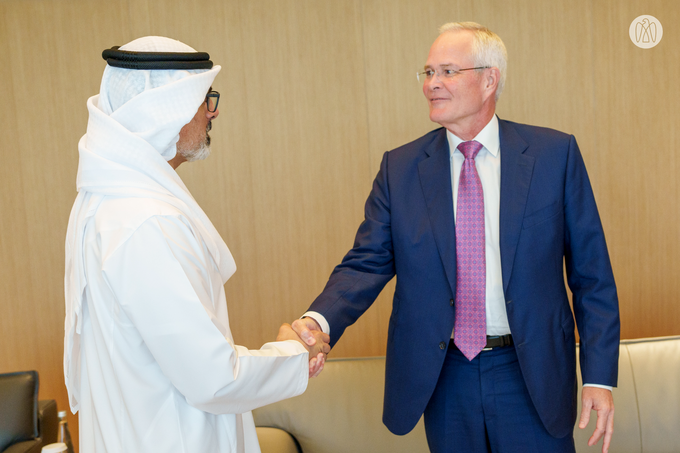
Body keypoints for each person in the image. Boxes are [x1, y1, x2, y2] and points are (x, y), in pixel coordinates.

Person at [293, 22, 620, 453]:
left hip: (532, 373)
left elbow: (591, 275)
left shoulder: (553, 156)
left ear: (489, 79)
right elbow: (366, 262)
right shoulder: (401, 168)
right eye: (428, 73)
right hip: (445, 377)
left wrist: (598, 375)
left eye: (447, 72)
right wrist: (317, 321)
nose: (433, 85)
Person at [63, 36, 329, 453]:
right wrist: (292, 352)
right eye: (205, 99)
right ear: (164, 111)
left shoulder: (109, 201)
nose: (213, 112)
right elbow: (212, 379)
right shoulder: (145, 221)